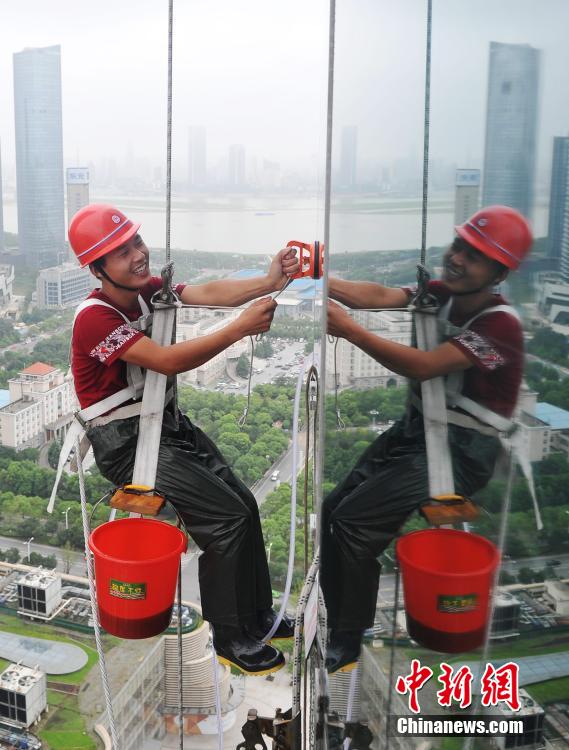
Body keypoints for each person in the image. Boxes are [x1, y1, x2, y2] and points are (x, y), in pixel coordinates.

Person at [67, 203, 299, 675]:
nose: (137, 255)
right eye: (120, 251)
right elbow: (166, 361)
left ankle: (256, 614)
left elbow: (207, 291)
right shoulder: (95, 318)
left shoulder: (147, 293)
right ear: (98, 268)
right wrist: (238, 329)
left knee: (245, 506)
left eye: (136, 242)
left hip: (161, 425)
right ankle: (231, 637)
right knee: (226, 521)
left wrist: (269, 282)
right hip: (126, 445)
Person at [320, 205, 532, 673]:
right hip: (422, 430)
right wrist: (321, 277)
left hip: (464, 450)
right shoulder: (441, 295)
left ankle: (349, 634)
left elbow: (424, 366)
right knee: (334, 509)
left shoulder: (501, 326)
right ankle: (334, 609)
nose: (457, 259)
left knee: (355, 524)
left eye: (473, 256)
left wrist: (351, 332)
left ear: (498, 272)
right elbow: (376, 295)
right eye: (459, 247)